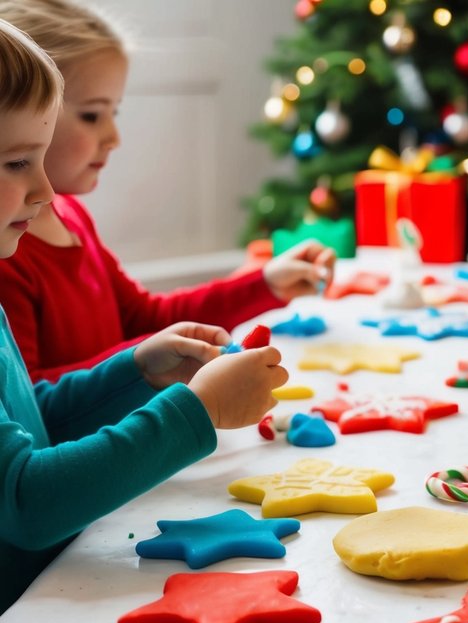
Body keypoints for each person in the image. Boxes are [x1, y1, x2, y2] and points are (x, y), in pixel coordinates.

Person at [0, 18, 288, 614]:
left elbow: (31, 419)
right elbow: (26, 500)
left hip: (53, 592)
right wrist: (197, 411)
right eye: (17, 163)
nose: (47, 191)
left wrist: (135, 372)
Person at [0, 0, 335, 384]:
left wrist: (266, 283)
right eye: (93, 115)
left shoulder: (71, 215)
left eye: (115, 113)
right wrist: (144, 363)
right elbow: (32, 401)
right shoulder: (9, 256)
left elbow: (145, 318)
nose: (113, 137)